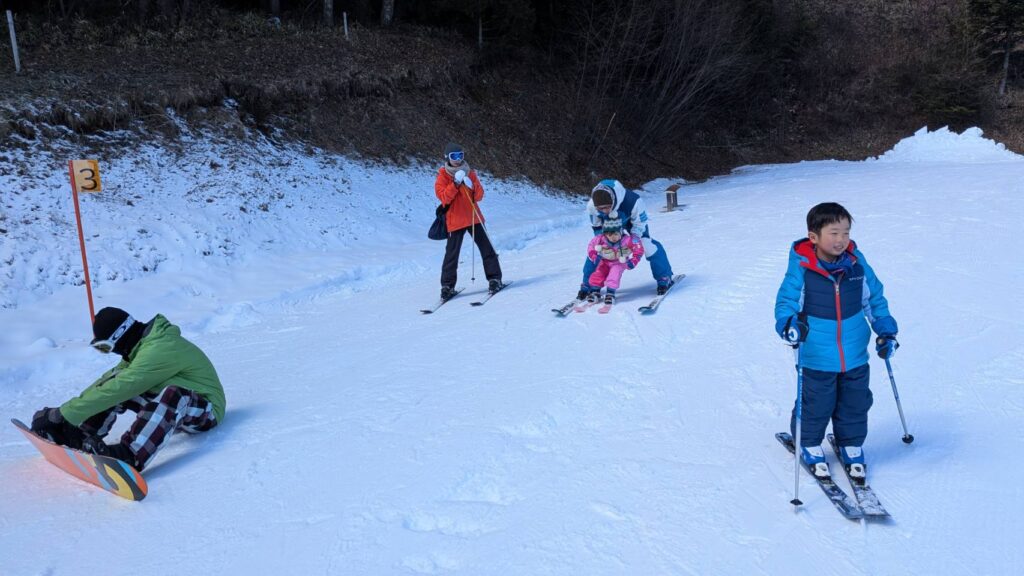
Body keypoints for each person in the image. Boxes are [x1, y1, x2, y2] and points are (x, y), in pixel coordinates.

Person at [774, 202, 898, 480]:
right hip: (816, 355)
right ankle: (808, 443)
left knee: (856, 401)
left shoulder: (857, 265)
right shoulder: (802, 268)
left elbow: (874, 299)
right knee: (816, 403)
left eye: (846, 232)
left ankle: (850, 443)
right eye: (833, 233)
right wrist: (790, 325)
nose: (841, 239)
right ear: (813, 237)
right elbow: (786, 302)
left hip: (855, 352)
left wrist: (885, 329)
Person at [29, 307, 226, 471]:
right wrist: (65, 416)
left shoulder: (160, 348)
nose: (109, 352)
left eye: (105, 347)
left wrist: (63, 413)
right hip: (175, 412)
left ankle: (130, 456)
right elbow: (108, 383)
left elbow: (121, 387)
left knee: (171, 394)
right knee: (116, 386)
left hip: (206, 410)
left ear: (120, 336)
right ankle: (80, 436)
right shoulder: (138, 349)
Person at [578, 179, 674, 300]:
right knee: (598, 249)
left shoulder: (633, 201)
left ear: (613, 201)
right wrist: (605, 243)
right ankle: (587, 283)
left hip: (633, 224)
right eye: (600, 209)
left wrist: (632, 242)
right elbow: (597, 228)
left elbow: (640, 224)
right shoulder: (592, 206)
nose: (604, 211)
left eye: (607, 207)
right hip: (608, 227)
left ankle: (664, 276)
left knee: (647, 245)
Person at [434, 142, 503, 299]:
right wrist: (455, 184)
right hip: (455, 220)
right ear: (447, 158)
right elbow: (444, 198)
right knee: (452, 255)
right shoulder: (443, 176)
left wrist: (472, 186)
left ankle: (494, 279)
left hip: (473, 217)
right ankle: (447, 286)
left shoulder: (470, 173)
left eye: (461, 155)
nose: (458, 159)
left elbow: (479, 196)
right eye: (454, 156)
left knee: (487, 248)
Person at [584, 216, 644, 305]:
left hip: (619, 262)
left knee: (614, 274)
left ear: (621, 231)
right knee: (598, 273)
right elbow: (591, 245)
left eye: (615, 234)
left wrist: (633, 261)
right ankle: (595, 291)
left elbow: (638, 249)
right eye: (609, 235)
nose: (613, 237)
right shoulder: (600, 239)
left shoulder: (628, 239)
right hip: (605, 261)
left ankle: (610, 292)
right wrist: (594, 256)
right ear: (605, 234)